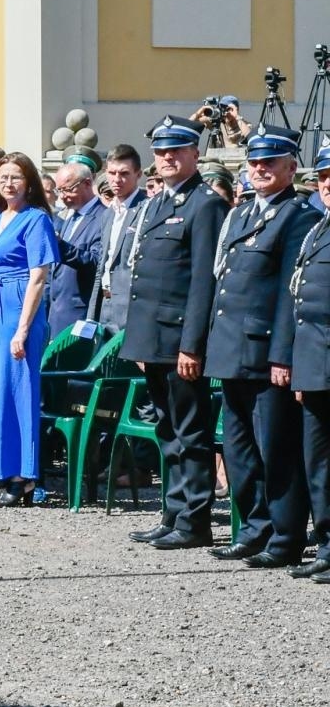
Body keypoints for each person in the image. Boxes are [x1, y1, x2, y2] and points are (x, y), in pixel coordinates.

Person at [205, 125, 317, 568]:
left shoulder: (297, 215)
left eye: (270, 162)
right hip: (233, 349)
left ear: (291, 167)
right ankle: (254, 527)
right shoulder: (245, 213)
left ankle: (286, 535)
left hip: (266, 351)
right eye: (254, 162)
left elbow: (293, 293)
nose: (260, 169)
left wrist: (281, 354)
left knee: (277, 448)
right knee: (239, 447)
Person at [122, 116, 228, 549]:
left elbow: (204, 280)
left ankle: (195, 521)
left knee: (191, 432)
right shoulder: (157, 202)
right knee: (168, 432)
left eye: (176, 151)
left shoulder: (204, 204)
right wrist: (143, 343)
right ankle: (174, 511)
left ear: (194, 154)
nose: (167, 158)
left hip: (181, 340)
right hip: (155, 339)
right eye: (162, 152)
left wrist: (192, 346)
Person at [0, 152, 59, 507]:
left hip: (18, 306)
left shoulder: (36, 219)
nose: (9, 183)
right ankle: (4, 470)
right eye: (3, 177)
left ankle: (24, 476)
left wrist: (22, 329)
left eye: (16, 178)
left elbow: (39, 277)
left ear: (29, 183)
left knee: (19, 390)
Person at [289, 141, 330, 582]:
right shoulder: (317, 228)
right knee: (318, 460)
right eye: (324, 177)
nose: (329, 185)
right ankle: (326, 543)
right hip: (315, 361)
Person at [47, 153, 107, 340]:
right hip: (56, 313)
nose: (63, 197)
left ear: (87, 184)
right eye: (59, 191)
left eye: (68, 190)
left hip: (80, 314)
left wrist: (60, 246)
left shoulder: (103, 217)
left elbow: (96, 263)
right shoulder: (70, 217)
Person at [90, 145, 149, 334]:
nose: (117, 180)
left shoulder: (147, 209)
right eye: (112, 173)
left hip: (129, 308)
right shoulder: (108, 214)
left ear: (138, 174)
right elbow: (103, 264)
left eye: (124, 173)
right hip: (104, 304)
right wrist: (92, 313)